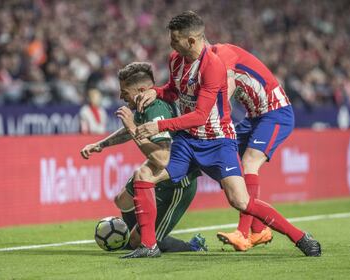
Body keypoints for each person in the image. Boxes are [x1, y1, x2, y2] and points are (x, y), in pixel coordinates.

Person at [130, 11, 321, 258]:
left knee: (240, 201)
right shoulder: (175, 59)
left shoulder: (213, 66)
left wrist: (160, 125)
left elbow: (200, 115)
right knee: (143, 174)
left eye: (175, 39)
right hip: (187, 142)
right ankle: (149, 246)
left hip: (218, 143)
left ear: (191, 40)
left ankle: (299, 237)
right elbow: (174, 90)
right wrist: (156, 92)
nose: (171, 43)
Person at [80, 62, 207, 255]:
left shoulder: (157, 108)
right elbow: (131, 130)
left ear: (141, 89)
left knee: (138, 239)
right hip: (158, 172)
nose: (121, 97)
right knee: (122, 201)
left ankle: (191, 245)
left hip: (177, 182)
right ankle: (136, 237)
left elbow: (162, 158)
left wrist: (132, 127)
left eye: (124, 92)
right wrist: (100, 145)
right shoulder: (144, 104)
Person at [211, 43, 295, 251]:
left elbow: (226, 89)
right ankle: (258, 230)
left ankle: (242, 233)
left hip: (275, 112)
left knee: (249, 162)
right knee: (227, 159)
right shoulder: (203, 63)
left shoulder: (220, 53)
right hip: (253, 117)